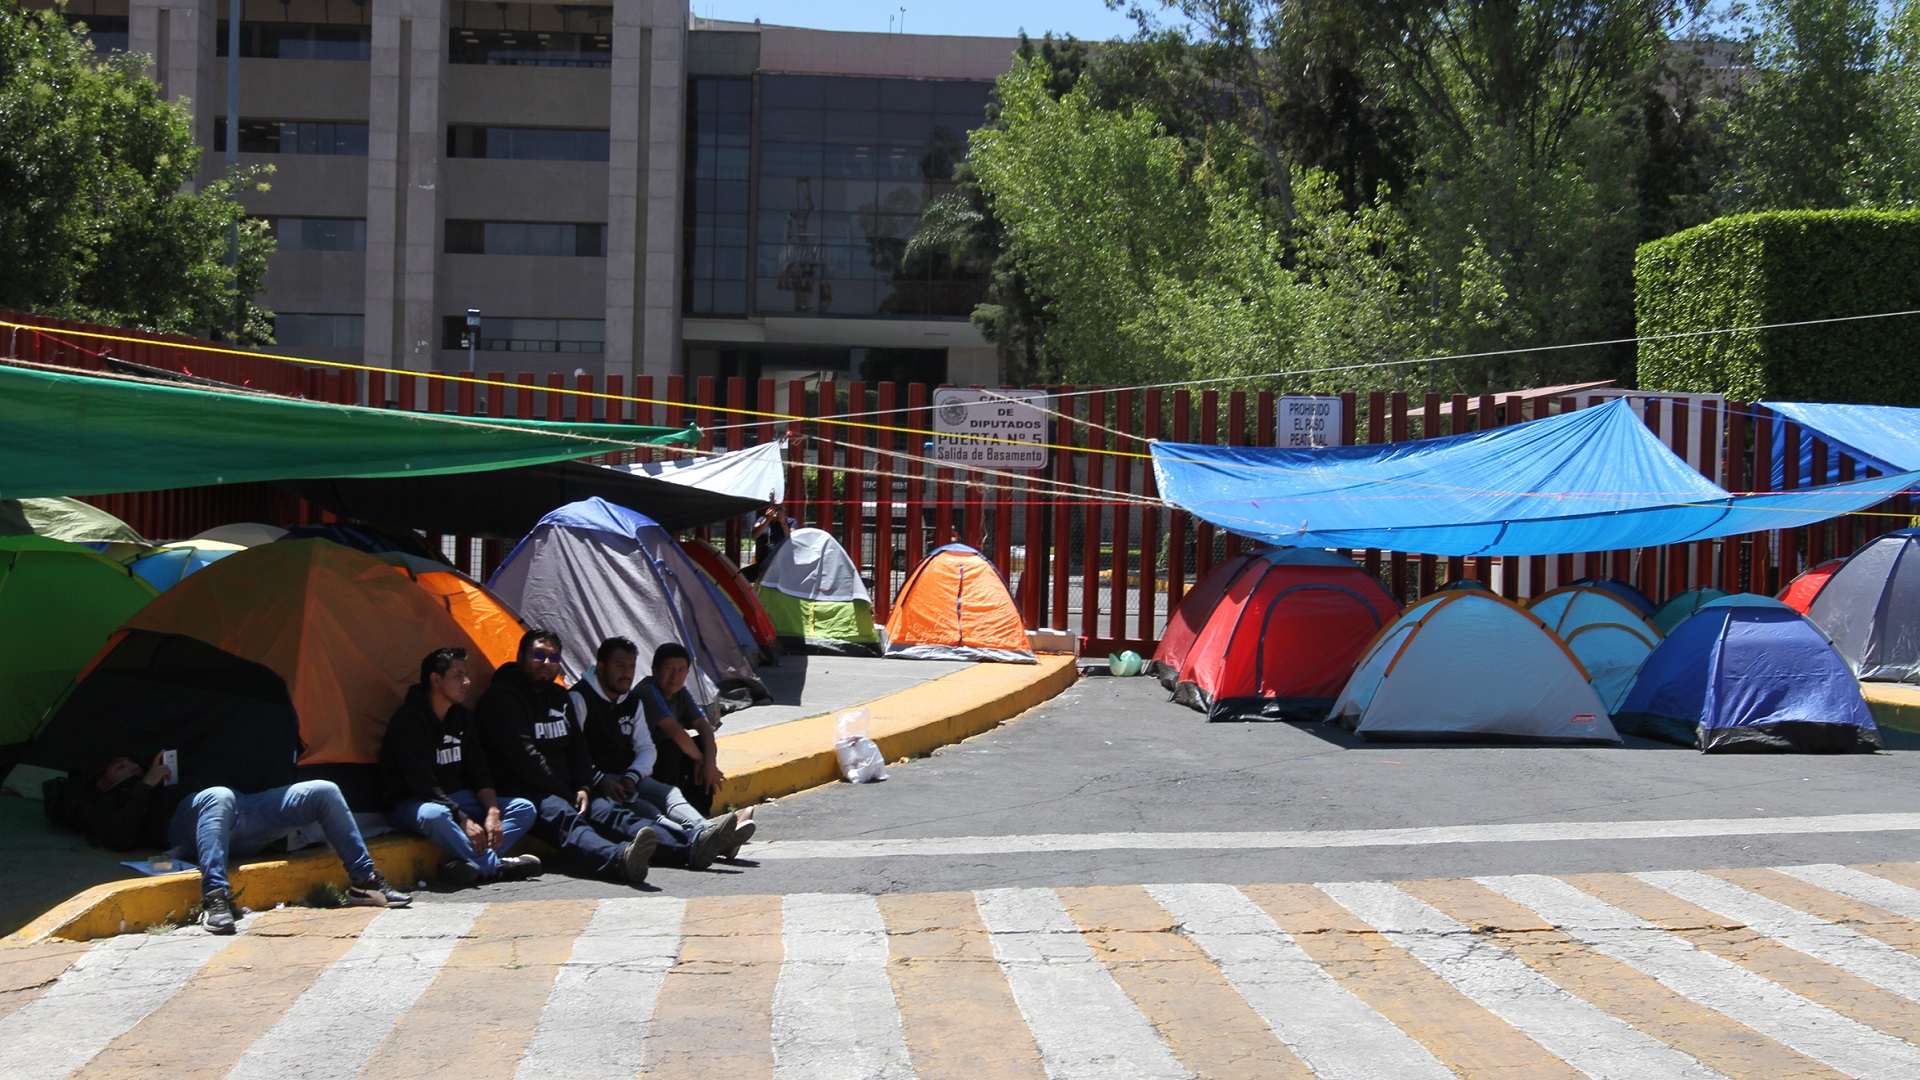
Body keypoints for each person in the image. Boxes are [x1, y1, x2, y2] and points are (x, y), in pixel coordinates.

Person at [67, 755, 411, 934]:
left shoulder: (166, 781)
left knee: (324, 789)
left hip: (241, 810)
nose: (131, 766)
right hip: (194, 820)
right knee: (218, 796)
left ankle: (364, 883)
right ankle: (215, 899)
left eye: (132, 762)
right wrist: (144, 785)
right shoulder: (108, 804)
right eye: (119, 765)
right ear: (101, 782)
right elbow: (118, 837)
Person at [476, 628, 659, 884]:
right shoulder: (502, 698)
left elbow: (578, 748)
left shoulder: (559, 696)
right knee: (566, 818)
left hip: (568, 788)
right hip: (526, 790)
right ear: (520, 656)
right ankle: (620, 860)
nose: (546, 663)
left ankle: (691, 845)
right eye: (538, 655)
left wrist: (583, 786)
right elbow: (527, 759)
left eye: (553, 658)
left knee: (611, 813)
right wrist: (567, 793)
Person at [568, 636, 749, 868]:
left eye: (631, 666)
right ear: (601, 667)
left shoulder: (630, 701)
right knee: (649, 811)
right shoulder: (580, 698)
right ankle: (702, 839)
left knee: (669, 794)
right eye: (620, 666)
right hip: (596, 780)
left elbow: (645, 747)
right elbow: (574, 749)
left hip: (627, 776)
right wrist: (600, 780)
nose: (627, 673)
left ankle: (708, 831)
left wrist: (632, 776)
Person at [380, 647, 543, 887]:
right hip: (413, 801)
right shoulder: (409, 721)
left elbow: (479, 770)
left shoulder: (463, 718)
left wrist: (492, 813)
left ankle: (469, 864)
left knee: (524, 808)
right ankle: (493, 865)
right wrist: (464, 820)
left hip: (457, 798)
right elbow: (424, 785)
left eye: (466, 675)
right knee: (436, 814)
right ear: (436, 680)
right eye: (458, 676)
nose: (466, 682)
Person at [636, 642, 729, 820]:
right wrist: (703, 761)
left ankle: (701, 815)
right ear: (655, 670)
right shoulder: (647, 691)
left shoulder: (681, 693)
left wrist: (709, 763)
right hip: (643, 760)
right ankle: (673, 817)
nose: (675, 676)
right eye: (669, 668)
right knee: (671, 749)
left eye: (681, 670)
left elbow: (705, 727)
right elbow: (675, 732)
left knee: (701, 745)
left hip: (667, 754)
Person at [743, 502, 793, 583]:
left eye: (780, 506)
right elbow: (754, 535)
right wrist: (767, 520)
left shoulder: (790, 522)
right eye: (775, 506)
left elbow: (791, 539)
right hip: (762, 563)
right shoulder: (762, 519)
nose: (778, 509)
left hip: (781, 565)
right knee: (741, 576)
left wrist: (783, 523)